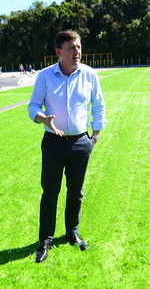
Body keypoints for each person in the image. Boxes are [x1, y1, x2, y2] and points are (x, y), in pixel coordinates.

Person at [28, 31, 106, 263]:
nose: (77, 52)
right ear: (58, 52)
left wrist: (94, 137)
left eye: (79, 47)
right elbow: (33, 106)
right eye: (71, 48)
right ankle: (45, 240)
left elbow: (99, 105)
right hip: (53, 143)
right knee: (50, 193)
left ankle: (72, 232)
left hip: (82, 142)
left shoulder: (89, 74)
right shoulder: (45, 76)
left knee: (76, 192)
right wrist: (44, 119)